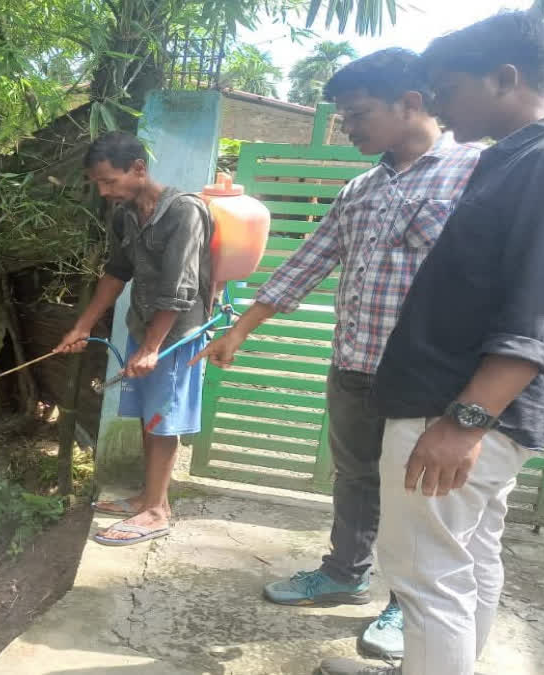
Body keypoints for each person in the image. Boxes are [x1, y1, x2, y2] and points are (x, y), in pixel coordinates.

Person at [318, 12, 544, 675]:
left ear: (506, 78)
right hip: (460, 404)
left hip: (458, 406)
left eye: (448, 88)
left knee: (426, 575)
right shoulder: (518, 157)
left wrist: (464, 420)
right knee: (466, 558)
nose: (435, 104)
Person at [192, 48, 482, 660]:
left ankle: (408, 605)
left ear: (412, 103)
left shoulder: (473, 174)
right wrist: (242, 328)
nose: (348, 126)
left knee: (418, 494)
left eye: (357, 113)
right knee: (355, 479)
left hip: (425, 379)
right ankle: (345, 572)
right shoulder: (360, 188)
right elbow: (308, 263)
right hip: (353, 365)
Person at [54, 131, 212, 547]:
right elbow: (116, 272)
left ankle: (157, 511)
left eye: (110, 181)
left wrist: (152, 348)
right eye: (99, 184)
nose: (105, 192)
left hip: (175, 334)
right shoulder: (125, 214)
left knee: (163, 421)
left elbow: (181, 289)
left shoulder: (184, 212)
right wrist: (84, 325)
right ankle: (147, 495)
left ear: (139, 168)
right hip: (144, 326)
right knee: (149, 414)